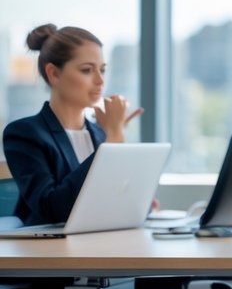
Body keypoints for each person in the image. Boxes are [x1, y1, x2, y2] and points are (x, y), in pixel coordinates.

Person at [2, 24, 144, 226]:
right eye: (87, 70)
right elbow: (53, 208)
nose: (100, 81)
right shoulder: (24, 134)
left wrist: (138, 203)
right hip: (49, 245)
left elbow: (111, 199)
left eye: (102, 70)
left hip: (99, 238)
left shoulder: (100, 134)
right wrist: (112, 140)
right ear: (54, 73)